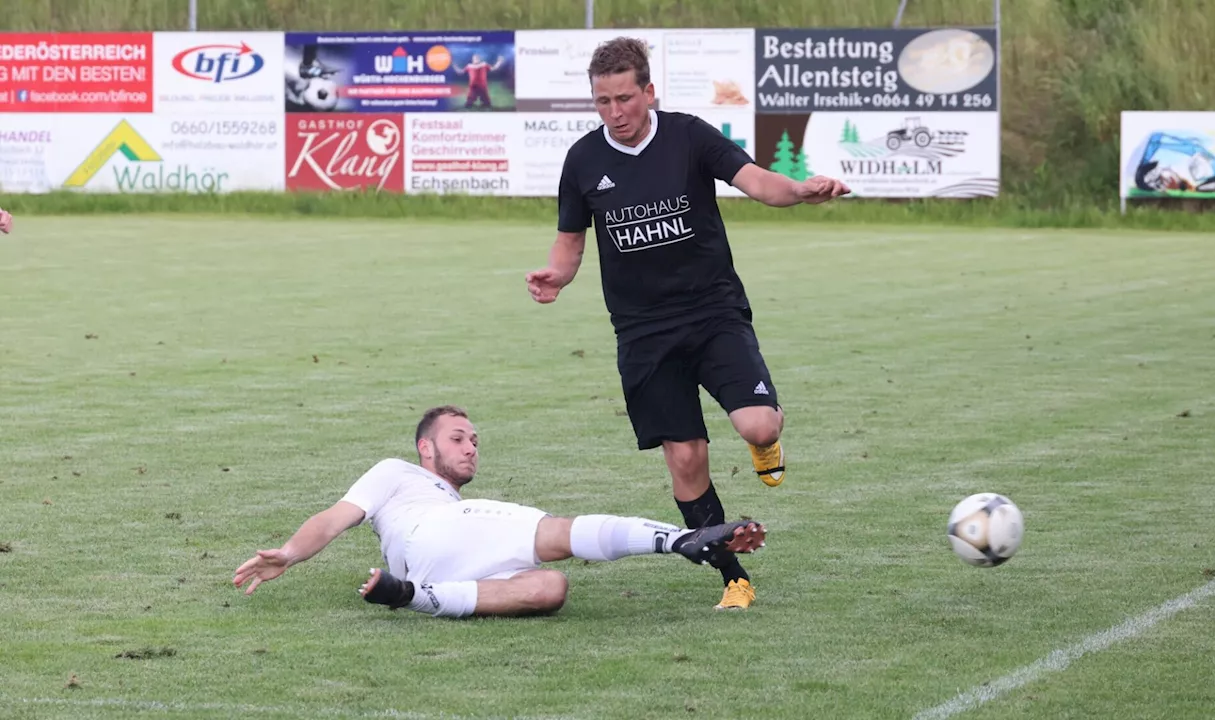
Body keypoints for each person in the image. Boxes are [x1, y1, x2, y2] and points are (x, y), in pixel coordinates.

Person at [524, 38, 849, 611]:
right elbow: (570, 242)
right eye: (602, 101)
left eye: (624, 98)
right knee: (685, 457)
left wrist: (799, 191)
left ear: (649, 91)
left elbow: (754, 180)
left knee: (758, 426)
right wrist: (556, 275)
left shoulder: (689, 135)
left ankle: (767, 441)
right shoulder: (583, 160)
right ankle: (733, 577)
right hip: (643, 332)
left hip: (712, 312)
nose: (615, 112)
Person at [232, 405, 766, 618]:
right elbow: (336, 516)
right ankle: (680, 540)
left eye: (475, 440)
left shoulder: (455, 504)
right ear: (425, 448)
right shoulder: (398, 473)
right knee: (552, 532)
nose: (470, 448)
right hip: (433, 535)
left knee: (549, 588)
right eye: (457, 438)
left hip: (429, 571)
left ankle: (419, 600)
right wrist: (290, 553)